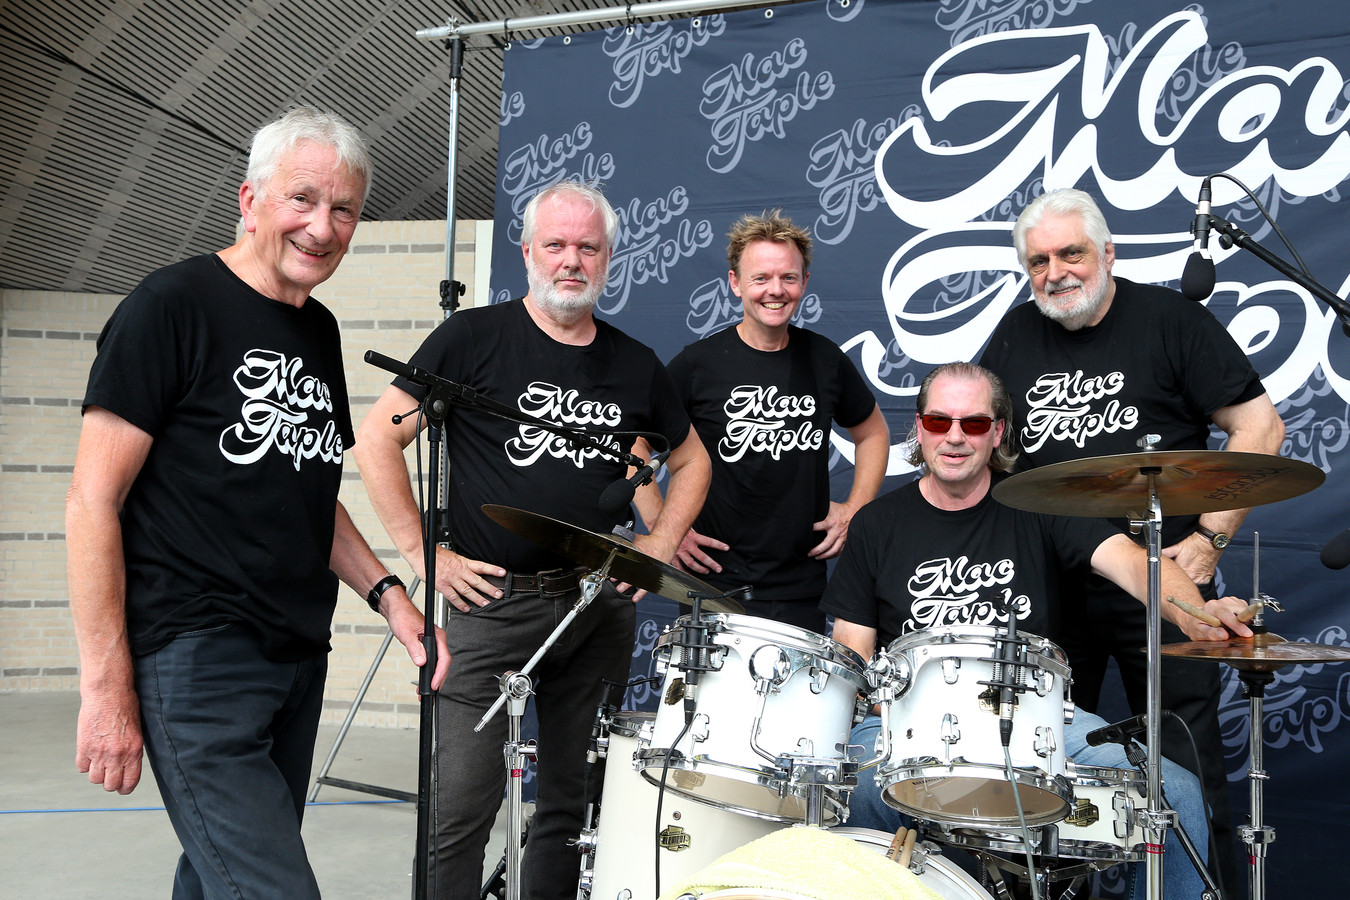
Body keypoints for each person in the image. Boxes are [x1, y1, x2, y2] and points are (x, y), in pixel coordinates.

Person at [65, 107, 449, 900]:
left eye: (343, 208)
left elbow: (306, 487)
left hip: (296, 657)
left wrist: (388, 596)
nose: (322, 226)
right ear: (248, 200)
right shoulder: (170, 305)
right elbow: (90, 503)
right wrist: (106, 690)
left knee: (217, 879)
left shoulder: (318, 329)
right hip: (196, 655)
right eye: (301, 199)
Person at [353, 179, 711, 900]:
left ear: (610, 259)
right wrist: (428, 555)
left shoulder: (635, 363)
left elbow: (694, 458)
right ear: (527, 253)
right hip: (492, 606)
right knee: (459, 808)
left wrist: (660, 541)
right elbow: (375, 441)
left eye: (588, 247)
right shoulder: (472, 339)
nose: (571, 260)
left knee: (570, 803)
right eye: (556, 245)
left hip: (594, 608)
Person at [822, 362, 1253, 900]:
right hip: (904, 723)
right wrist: (888, 713)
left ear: (998, 432)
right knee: (842, 792)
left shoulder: (1036, 506)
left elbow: (1137, 565)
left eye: (974, 424)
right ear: (919, 426)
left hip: (1037, 722)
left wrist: (1199, 616)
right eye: (939, 421)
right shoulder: (877, 524)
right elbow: (853, 655)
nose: (955, 437)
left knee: (1176, 794)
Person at [979, 187, 1286, 890]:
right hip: (1053, 580)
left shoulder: (1171, 321)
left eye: (1071, 253)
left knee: (1185, 757)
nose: (1055, 271)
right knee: (1040, 753)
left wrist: (1210, 542)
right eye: (1039, 261)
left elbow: (1261, 428)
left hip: (1162, 581)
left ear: (1108, 253)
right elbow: (985, 443)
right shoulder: (1017, 334)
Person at [635, 210, 889, 633]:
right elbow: (634, 446)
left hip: (800, 589)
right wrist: (665, 528)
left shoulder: (824, 359)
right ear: (735, 283)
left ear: (804, 283)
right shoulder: (697, 365)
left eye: (788, 278)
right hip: (710, 586)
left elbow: (874, 433)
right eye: (761, 278)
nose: (776, 290)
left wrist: (855, 508)